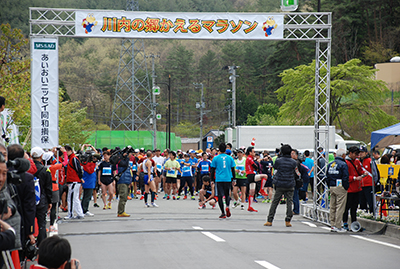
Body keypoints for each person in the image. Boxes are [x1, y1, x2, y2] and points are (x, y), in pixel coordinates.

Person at [7, 144, 36, 246]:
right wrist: (30, 230)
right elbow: (29, 206)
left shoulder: (5, 173)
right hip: (20, 223)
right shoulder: (27, 177)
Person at [264, 144, 297, 227]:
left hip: (280, 183)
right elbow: (296, 173)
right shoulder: (293, 162)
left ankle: (270, 220)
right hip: (290, 183)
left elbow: (275, 167)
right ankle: (288, 220)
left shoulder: (279, 160)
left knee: (275, 202)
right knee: (289, 202)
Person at [31, 147, 53, 246]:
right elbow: (48, 187)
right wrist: (50, 201)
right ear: (41, 156)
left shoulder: (27, 169)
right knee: (41, 223)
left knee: (29, 221)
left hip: (29, 199)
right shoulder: (45, 170)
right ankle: (42, 245)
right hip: (42, 199)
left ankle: (29, 245)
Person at [326, 148, 349, 233]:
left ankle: (332, 224)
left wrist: (329, 185)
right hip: (340, 187)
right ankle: (338, 225)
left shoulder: (331, 164)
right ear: (343, 155)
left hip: (332, 186)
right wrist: (345, 187)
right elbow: (345, 177)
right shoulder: (343, 164)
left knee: (332, 206)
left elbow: (327, 176)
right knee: (340, 207)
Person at [343, 146, 366, 230]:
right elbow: (344, 177)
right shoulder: (346, 162)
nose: (357, 156)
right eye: (356, 154)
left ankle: (354, 223)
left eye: (358, 154)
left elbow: (360, 171)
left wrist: (364, 173)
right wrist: (354, 178)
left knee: (354, 208)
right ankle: (345, 223)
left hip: (357, 188)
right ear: (351, 153)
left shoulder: (357, 162)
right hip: (349, 189)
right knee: (346, 207)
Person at [211, 143, 235, 219]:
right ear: (225, 149)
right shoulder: (230, 158)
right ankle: (227, 206)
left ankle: (223, 213)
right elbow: (233, 169)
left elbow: (212, 170)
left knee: (220, 196)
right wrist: (234, 179)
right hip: (228, 178)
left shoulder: (215, 158)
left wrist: (212, 179)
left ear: (219, 149)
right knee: (227, 194)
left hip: (219, 179)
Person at [64, 145, 85, 220]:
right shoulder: (72, 158)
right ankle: (79, 213)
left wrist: (80, 177)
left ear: (70, 151)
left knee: (72, 198)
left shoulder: (73, 159)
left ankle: (71, 214)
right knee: (74, 198)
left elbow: (78, 169)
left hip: (74, 181)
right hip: (74, 181)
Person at [245, 146, 268, 212]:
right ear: (250, 152)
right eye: (253, 152)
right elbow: (255, 166)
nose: (254, 153)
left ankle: (250, 206)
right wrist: (258, 161)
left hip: (250, 176)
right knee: (265, 176)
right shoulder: (250, 158)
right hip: (251, 175)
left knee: (252, 192)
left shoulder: (249, 158)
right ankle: (261, 189)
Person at [115, 151, 133, 217]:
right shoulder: (121, 161)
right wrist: (126, 157)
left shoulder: (125, 161)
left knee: (125, 197)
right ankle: (120, 212)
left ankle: (122, 211)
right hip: (122, 180)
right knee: (123, 196)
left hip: (126, 180)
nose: (131, 155)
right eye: (130, 153)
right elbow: (124, 164)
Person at [359, 146, 374, 213]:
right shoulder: (358, 162)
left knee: (370, 201)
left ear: (366, 153)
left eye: (362, 152)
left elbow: (375, 172)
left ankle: (371, 214)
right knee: (362, 202)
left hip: (369, 184)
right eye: (360, 152)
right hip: (360, 185)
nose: (361, 154)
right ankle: (363, 213)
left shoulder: (370, 161)